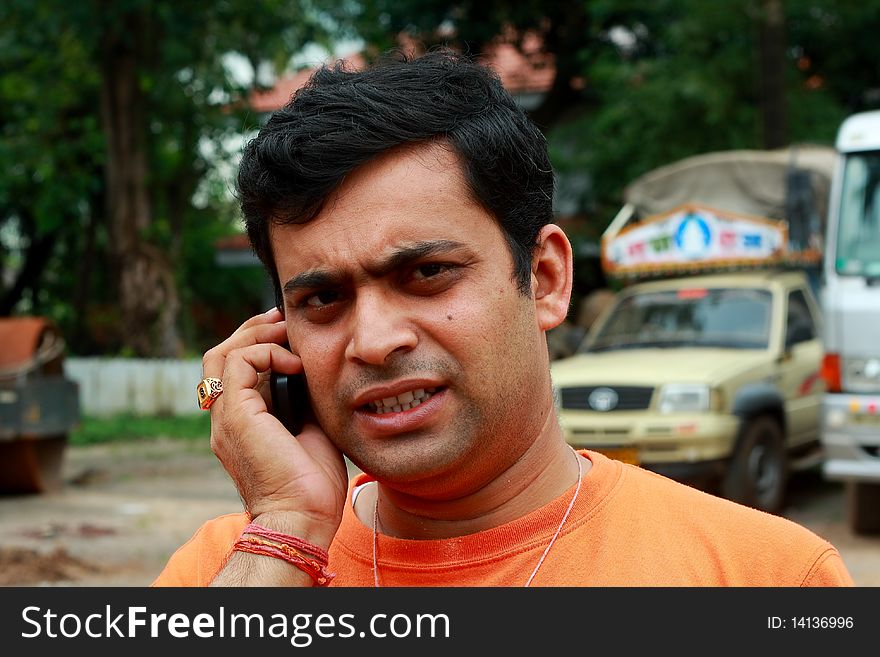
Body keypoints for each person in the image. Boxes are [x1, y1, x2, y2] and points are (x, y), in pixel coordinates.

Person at [154, 51, 852, 587]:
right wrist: (288, 533)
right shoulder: (232, 568)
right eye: (322, 300)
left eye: (426, 274)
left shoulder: (763, 575)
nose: (374, 340)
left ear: (545, 278)